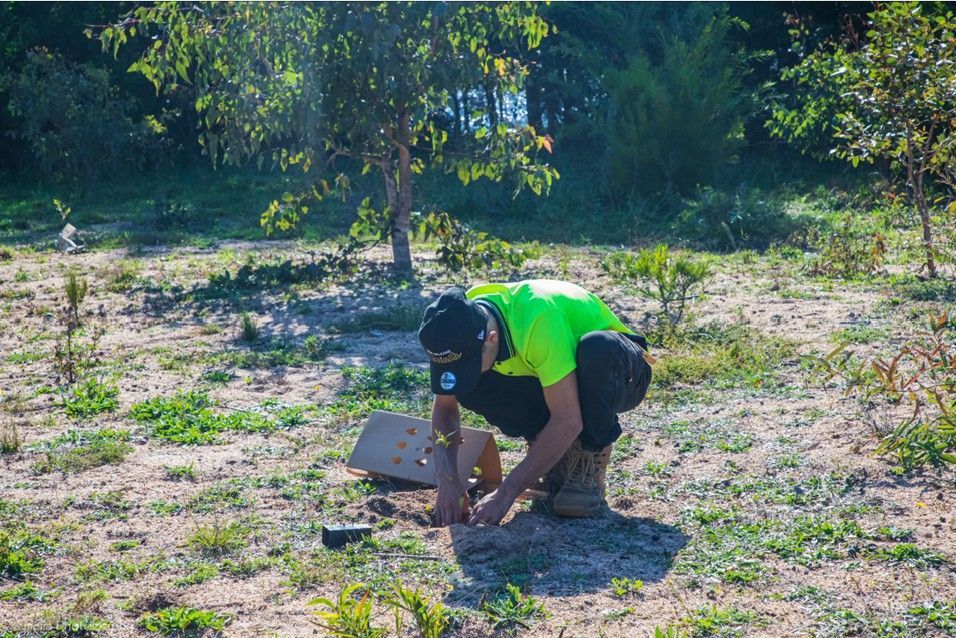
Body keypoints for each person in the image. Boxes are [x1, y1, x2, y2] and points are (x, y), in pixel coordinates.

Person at [417, 279, 653, 526]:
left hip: (621, 368)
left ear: (491, 338)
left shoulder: (538, 320)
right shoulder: (458, 320)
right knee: (468, 384)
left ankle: (588, 454)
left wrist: (506, 492)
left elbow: (568, 420)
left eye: (465, 365)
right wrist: (448, 480)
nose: (462, 371)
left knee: (596, 349)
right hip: (552, 372)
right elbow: (444, 408)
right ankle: (547, 445)